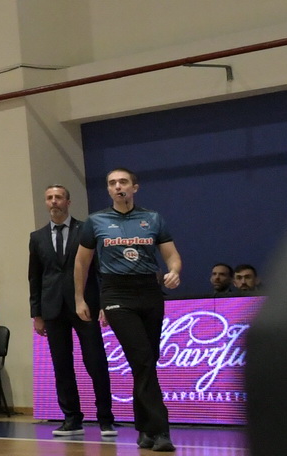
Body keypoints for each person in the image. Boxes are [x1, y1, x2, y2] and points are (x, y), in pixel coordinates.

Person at [75, 168, 181, 453]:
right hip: (116, 293)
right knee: (142, 359)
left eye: (123, 182)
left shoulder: (152, 218)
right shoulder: (96, 221)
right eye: (112, 183)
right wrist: (80, 299)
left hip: (149, 290)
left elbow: (171, 254)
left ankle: (144, 429)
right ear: (108, 190)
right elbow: (82, 263)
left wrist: (174, 271)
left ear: (135, 187)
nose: (117, 186)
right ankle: (160, 431)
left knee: (146, 362)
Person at [29, 184, 114, 439]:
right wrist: (36, 314)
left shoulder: (86, 230)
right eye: (49, 198)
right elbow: (34, 277)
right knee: (61, 365)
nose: (54, 201)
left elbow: (100, 270)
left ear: (68, 202)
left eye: (58, 197)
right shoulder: (37, 237)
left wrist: (104, 304)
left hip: (85, 304)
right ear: (46, 203)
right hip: (53, 308)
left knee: (95, 361)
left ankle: (105, 419)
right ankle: (72, 419)